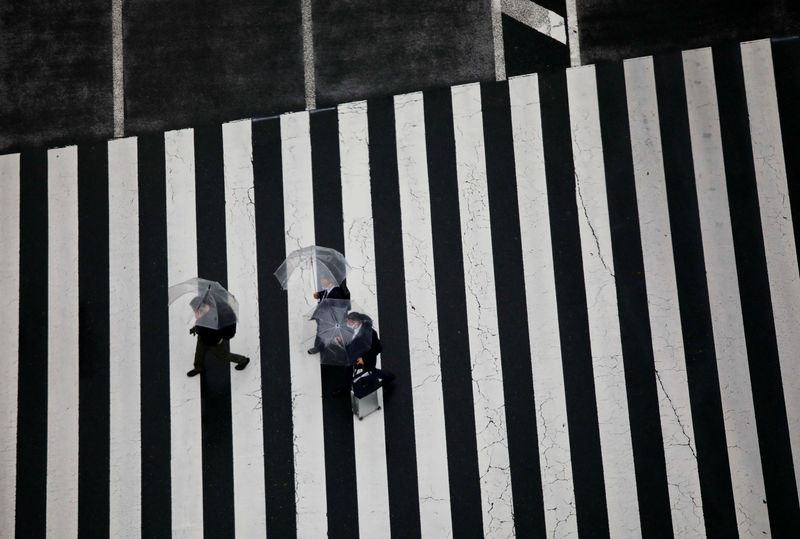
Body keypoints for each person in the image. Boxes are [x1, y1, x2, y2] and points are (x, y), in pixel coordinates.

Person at [332, 312, 394, 397]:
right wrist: (341, 341)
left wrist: (364, 359)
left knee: (369, 372)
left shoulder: (370, 333)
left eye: (349, 323)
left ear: (356, 322)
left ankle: (388, 376)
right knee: (347, 372)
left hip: (366, 359)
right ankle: (345, 389)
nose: (347, 325)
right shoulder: (350, 330)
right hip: (352, 356)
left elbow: (377, 349)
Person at [186, 295, 250, 377]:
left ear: (201, 308)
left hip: (214, 342)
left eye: (195, 310)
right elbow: (200, 324)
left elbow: (215, 331)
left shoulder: (216, 317)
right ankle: (198, 367)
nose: (194, 312)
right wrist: (196, 328)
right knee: (199, 352)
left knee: (223, 356)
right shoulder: (202, 313)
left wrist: (200, 328)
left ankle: (243, 360)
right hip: (202, 338)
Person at [307, 277, 351, 354]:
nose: (321, 281)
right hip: (324, 316)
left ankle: (339, 348)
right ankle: (318, 347)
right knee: (321, 331)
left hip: (332, 317)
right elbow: (326, 294)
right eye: (320, 279)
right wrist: (318, 295)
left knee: (334, 333)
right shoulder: (327, 290)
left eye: (323, 279)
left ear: (330, 280)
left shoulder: (337, 291)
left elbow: (338, 306)